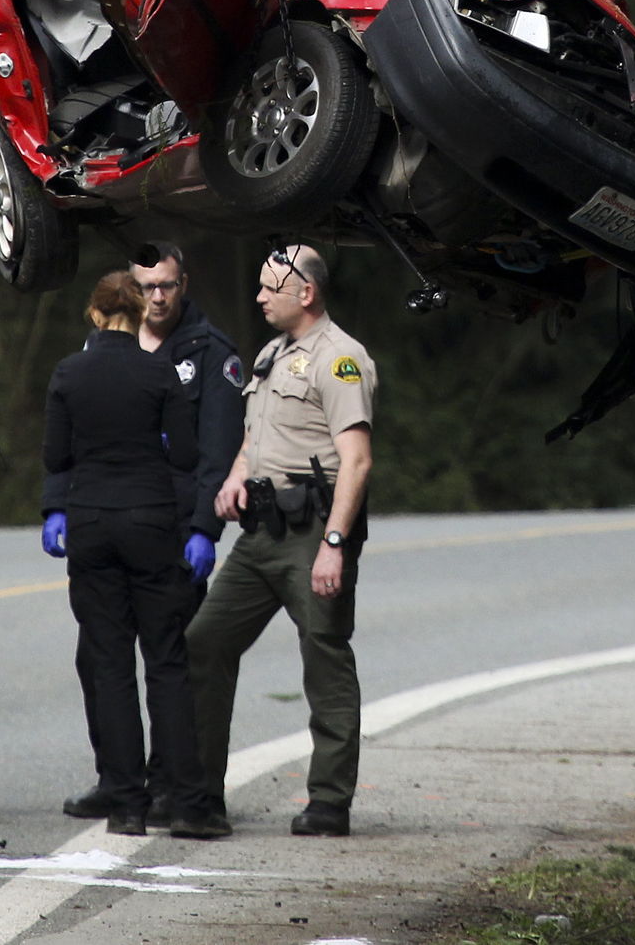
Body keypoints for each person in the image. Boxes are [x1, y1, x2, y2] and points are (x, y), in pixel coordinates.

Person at [45, 241, 244, 822]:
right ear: (132, 294)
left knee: (154, 660)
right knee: (133, 663)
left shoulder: (209, 352)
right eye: (148, 287)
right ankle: (128, 784)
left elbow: (213, 452)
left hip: (166, 528)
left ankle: (164, 794)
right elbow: (174, 448)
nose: (159, 296)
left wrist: (204, 526)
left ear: (184, 286)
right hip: (149, 522)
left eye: (169, 286)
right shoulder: (142, 368)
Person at [187, 243, 376, 838]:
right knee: (204, 641)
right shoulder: (272, 353)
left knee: (323, 654)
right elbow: (255, 434)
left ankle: (329, 801)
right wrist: (237, 476)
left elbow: (358, 461)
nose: (261, 296)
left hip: (312, 532)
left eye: (272, 287)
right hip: (260, 533)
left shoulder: (341, 359)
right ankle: (199, 795)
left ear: (307, 293)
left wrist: (335, 543)